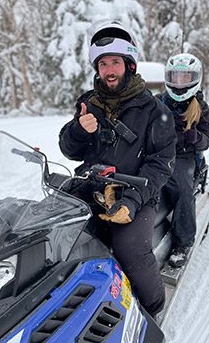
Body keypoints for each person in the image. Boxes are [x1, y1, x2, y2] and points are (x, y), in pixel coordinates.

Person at [58, 20, 177, 318]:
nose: (109, 70)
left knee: (129, 247)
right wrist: (78, 130)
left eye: (115, 62)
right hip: (91, 188)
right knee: (58, 236)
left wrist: (132, 199)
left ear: (130, 65)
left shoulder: (155, 111)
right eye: (103, 64)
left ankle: (153, 307)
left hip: (135, 193)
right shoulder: (88, 103)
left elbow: (161, 163)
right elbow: (69, 150)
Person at [158, 53, 209, 267]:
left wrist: (196, 137)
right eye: (176, 77)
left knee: (181, 189)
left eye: (185, 77)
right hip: (159, 152)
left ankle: (182, 242)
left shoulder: (200, 107)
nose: (179, 83)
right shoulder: (158, 102)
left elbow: (207, 139)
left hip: (184, 156)